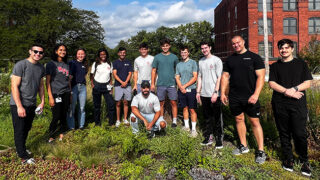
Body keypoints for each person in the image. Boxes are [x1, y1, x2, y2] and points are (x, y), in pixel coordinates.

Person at [269, 39, 313, 176]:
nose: (284, 50)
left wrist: (294, 89)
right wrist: (286, 91)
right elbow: (271, 83)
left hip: (298, 105)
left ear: (292, 49)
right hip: (280, 103)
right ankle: (288, 159)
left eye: (287, 48)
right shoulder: (275, 66)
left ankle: (304, 160)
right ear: (279, 50)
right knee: (284, 133)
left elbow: (308, 83)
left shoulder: (301, 64)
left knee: (300, 133)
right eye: (281, 48)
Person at [220, 35, 267, 164]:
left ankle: (261, 151)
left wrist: (256, 94)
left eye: (238, 42)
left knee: (254, 122)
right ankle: (243, 146)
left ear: (243, 42)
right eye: (233, 43)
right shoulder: (230, 60)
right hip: (235, 96)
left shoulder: (254, 57)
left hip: (250, 96)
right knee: (239, 119)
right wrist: (223, 93)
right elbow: (225, 76)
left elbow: (261, 77)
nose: (236, 45)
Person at [10, 44, 45, 164]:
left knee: (26, 128)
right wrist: (19, 106)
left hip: (31, 104)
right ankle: (23, 157)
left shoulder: (41, 68)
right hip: (18, 104)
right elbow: (14, 86)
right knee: (19, 130)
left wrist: (42, 102)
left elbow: (41, 86)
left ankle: (21, 148)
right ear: (30, 51)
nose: (38, 54)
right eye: (35, 51)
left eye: (40, 53)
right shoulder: (21, 65)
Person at [196, 41, 224, 148]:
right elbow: (200, 77)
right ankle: (208, 137)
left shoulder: (216, 60)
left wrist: (216, 92)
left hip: (214, 94)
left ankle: (219, 139)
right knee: (207, 117)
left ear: (210, 48)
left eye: (206, 48)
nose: (204, 50)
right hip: (204, 94)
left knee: (217, 118)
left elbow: (219, 78)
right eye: (202, 48)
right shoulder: (201, 61)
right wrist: (198, 92)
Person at [46, 44, 71, 143]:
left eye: (64, 50)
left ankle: (61, 134)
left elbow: (67, 80)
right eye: (60, 50)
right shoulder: (51, 64)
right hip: (56, 93)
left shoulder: (66, 65)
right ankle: (51, 135)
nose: (63, 52)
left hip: (66, 93)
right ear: (56, 51)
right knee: (56, 116)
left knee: (64, 115)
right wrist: (50, 97)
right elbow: (47, 82)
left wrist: (70, 93)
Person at [151, 39, 179, 127]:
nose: (165, 47)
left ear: (169, 46)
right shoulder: (157, 57)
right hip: (160, 84)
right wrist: (152, 83)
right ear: (161, 47)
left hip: (172, 84)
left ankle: (174, 120)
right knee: (161, 103)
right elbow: (154, 70)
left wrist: (178, 82)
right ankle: (161, 118)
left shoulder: (174, 57)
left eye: (167, 45)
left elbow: (178, 70)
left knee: (173, 102)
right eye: (163, 46)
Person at [175, 46, 198, 137]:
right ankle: (187, 127)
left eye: (185, 52)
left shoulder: (193, 63)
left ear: (188, 53)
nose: (183, 54)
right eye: (182, 52)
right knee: (184, 108)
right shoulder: (178, 64)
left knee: (191, 109)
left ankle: (194, 130)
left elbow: (195, 77)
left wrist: (184, 86)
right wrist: (181, 87)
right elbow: (177, 77)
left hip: (191, 89)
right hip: (181, 90)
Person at [90, 48, 116, 126]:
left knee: (111, 104)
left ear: (106, 55)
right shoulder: (95, 63)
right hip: (97, 85)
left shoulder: (110, 63)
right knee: (97, 106)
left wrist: (111, 87)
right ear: (99, 55)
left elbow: (110, 76)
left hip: (106, 86)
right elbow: (91, 75)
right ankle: (97, 123)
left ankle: (111, 123)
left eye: (104, 54)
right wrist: (92, 84)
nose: (103, 56)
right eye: (101, 54)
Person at [67, 48, 88, 130]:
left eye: (82, 54)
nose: (80, 55)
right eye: (79, 54)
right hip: (74, 87)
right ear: (76, 55)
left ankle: (81, 126)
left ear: (85, 55)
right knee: (72, 108)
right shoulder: (72, 63)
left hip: (83, 87)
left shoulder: (85, 64)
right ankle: (71, 127)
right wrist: (70, 90)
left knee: (82, 108)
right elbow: (69, 77)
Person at [112, 47, 133, 127]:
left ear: (125, 53)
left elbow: (130, 73)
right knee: (118, 103)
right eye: (121, 52)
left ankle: (125, 119)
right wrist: (121, 82)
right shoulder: (115, 63)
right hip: (118, 85)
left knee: (126, 102)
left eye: (124, 52)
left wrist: (126, 82)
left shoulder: (128, 62)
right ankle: (118, 120)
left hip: (127, 85)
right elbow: (114, 74)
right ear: (118, 53)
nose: (122, 54)